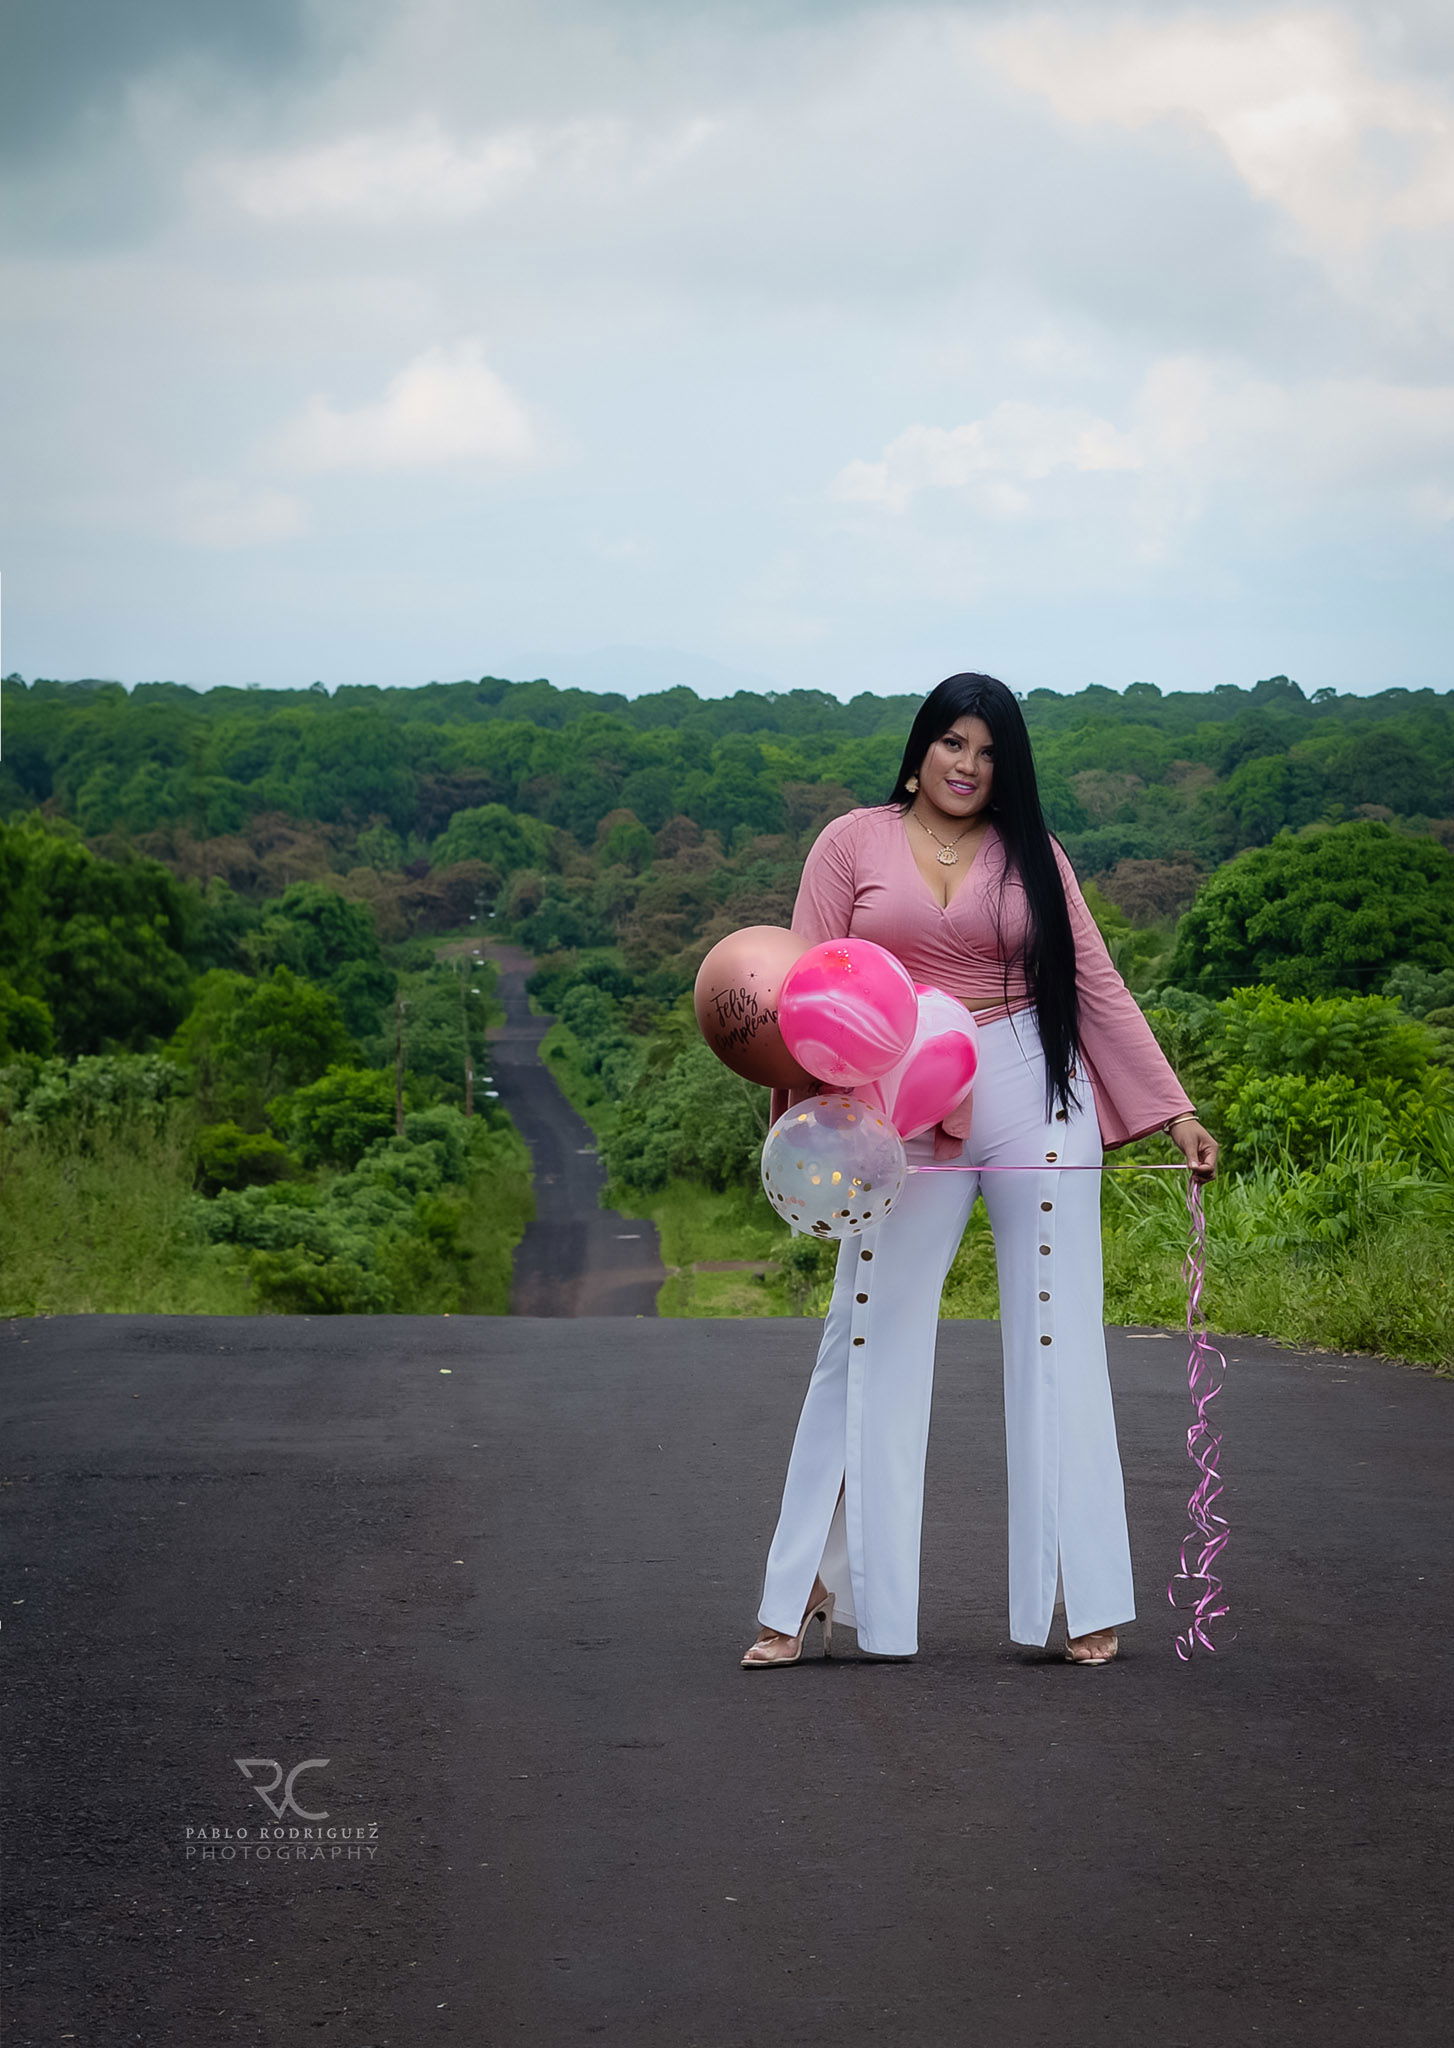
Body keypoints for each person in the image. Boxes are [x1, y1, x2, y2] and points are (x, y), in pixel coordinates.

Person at [742, 673, 1218, 1671]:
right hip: (895, 1087)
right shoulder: (850, 843)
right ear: (919, 747)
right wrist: (806, 1130)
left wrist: (1171, 1106)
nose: (968, 765)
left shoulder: (1033, 852)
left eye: (990, 751)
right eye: (952, 742)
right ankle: (806, 1587)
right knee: (864, 1328)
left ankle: (1083, 1592)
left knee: (1056, 1323)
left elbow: (1093, 980)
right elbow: (803, 987)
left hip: (1028, 1076)